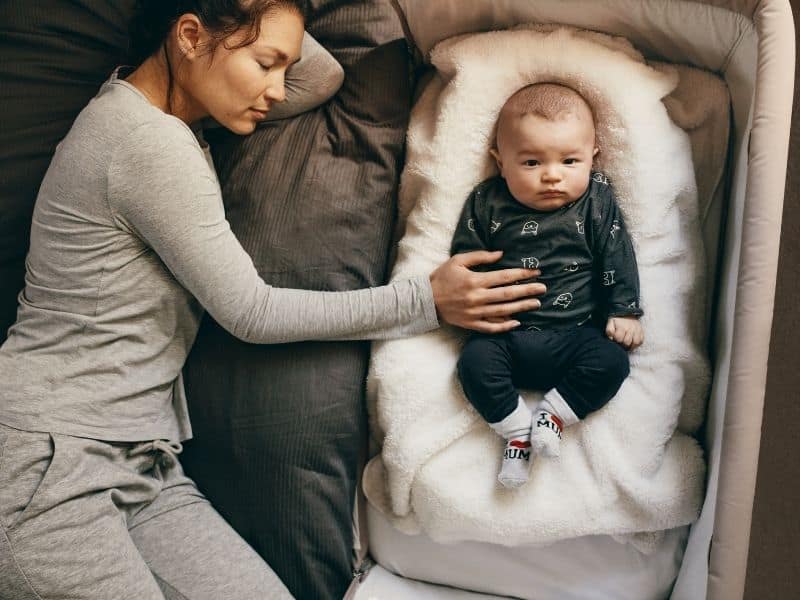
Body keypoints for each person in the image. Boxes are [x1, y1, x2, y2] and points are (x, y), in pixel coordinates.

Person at [0, 1, 546, 598]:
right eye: (265, 64)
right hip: (48, 463)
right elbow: (252, 313)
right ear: (187, 33)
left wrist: (271, 26)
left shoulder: (173, 117)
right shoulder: (144, 143)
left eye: (280, 66)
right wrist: (426, 301)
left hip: (140, 461)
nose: (277, 89)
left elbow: (322, 77)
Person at [452, 82, 645, 489]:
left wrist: (624, 309)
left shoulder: (596, 199)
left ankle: (552, 415)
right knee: (472, 366)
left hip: (577, 334)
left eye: (570, 161)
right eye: (532, 163)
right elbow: (465, 263)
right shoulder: (485, 202)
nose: (553, 176)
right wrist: (474, 304)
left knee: (613, 362)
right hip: (506, 334)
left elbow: (617, 252)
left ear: (593, 158)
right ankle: (517, 431)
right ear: (500, 162)